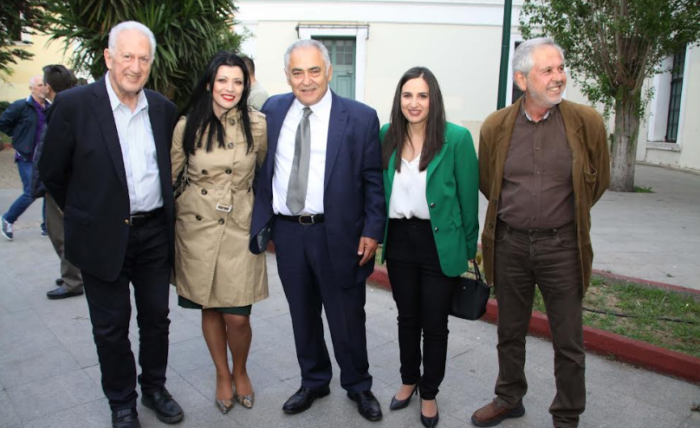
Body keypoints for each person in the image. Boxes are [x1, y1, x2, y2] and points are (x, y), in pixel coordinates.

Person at [39, 21, 184, 428]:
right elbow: (52, 172)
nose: (135, 67)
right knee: (110, 326)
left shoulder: (162, 109)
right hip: (101, 236)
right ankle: (122, 403)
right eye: (127, 56)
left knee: (156, 319)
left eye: (143, 59)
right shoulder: (75, 105)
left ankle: (154, 388)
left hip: (153, 233)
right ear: (108, 57)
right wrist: (86, 214)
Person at [470, 37, 610, 428]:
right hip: (510, 245)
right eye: (547, 70)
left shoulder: (586, 122)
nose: (558, 77)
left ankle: (566, 414)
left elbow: (597, 181)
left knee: (568, 340)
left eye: (560, 68)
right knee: (509, 331)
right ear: (521, 79)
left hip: (562, 247)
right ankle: (508, 397)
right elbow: (489, 182)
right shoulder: (497, 126)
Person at [249, 39, 386, 421]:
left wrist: (373, 229)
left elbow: (373, 179)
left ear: (328, 72)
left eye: (314, 71)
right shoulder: (272, 110)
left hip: (338, 233)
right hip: (289, 233)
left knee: (347, 317)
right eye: (298, 72)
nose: (306, 80)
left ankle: (358, 385)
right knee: (302, 313)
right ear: (287, 76)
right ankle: (314, 380)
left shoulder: (360, 117)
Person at [380, 66, 479, 428]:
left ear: (433, 99)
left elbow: (469, 199)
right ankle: (409, 379)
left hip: (439, 242)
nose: (414, 102)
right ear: (399, 99)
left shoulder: (457, 138)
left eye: (422, 95)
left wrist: (467, 249)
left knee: (434, 323)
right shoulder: (387, 135)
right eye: (407, 95)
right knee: (407, 317)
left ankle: (429, 392)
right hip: (399, 241)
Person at [170, 51, 268, 413]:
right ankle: (222, 374)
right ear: (210, 83)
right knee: (209, 307)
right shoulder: (187, 125)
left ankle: (240, 369)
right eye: (223, 80)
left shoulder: (258, 124)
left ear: (246, 86)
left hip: (239, 225)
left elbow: (265, 174)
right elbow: (171, 178)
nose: (230, 88)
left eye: (238, 81)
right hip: (197, 227)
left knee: (237, 315)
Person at [29, 64, 85, 300]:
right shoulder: (73, 105)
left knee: (61, 234)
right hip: (60, 184)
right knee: (60, 232)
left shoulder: (63, 108)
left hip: (61, 185)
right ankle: (73, 274)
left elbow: (58, 153)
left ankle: (73, 280)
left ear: (48, 87)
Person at [0, 74, 48, 240]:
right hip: (27, 157)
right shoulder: (21, 106)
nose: (43, 88)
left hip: (45, 157)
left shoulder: (50, 107)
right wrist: (17, 138)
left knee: (48, 192)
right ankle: (8, 219)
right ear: (31, 88)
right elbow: (3, 122)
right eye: (40, 85)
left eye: (45, 85)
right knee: (31, 192)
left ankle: (47, 227)